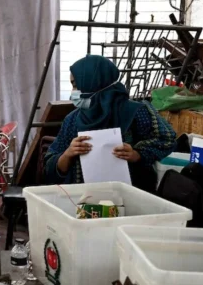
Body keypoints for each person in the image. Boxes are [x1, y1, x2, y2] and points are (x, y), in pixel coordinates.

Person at [43, 55, 176, 192]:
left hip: (131, 194)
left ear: (92, 82)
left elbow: (167, 140)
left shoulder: (136, 112)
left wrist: (137, 154)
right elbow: (50, 166)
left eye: (76, 85)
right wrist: (68, 154)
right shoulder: (72, 120)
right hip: (83, 197)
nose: (73, 93)